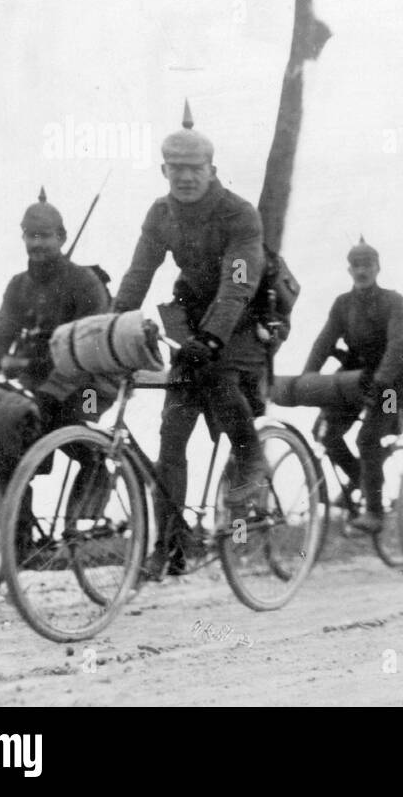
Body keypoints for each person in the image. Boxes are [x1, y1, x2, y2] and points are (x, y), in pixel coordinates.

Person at [113, 102, 271, 576]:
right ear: (164, 170)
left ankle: (252, 461)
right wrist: (112, 324)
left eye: (194, 169)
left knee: (219, 378)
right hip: (192, 322)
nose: (185, 178)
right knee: (172, 436)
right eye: (175, 169)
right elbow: (139, 272)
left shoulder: (239, 214)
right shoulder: (160, 213)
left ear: (212, 170)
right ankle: (171, 544)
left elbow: (240, 280)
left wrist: (214, 337)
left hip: (243, 322)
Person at [0, 189, 113, 559]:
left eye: (45, 236)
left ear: (61, 237)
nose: (38, 244)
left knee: (65, 423)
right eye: (31, 236)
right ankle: (23, 548)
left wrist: (54, 384)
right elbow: (2, 330)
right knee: (7, 441)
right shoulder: (19, 285)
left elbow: (93, 347)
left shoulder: (84, 283)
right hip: (39, 385)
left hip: (90, 383)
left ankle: (90, 484)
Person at [302, 236, 403, 534]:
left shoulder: (394, 301)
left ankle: (375, 512)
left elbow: (399, 346)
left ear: (378, 268)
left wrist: (383, 381)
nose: (362, 271)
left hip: (392, 387)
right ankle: (365, 482)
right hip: (356, 379)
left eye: (367, 265)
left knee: (368, 438)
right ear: (349, 270)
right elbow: (324, 341)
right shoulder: (343, 304)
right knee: (325, 433)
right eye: (356, 266)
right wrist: (308, 377)